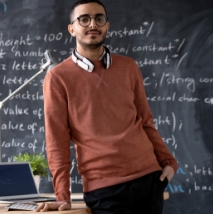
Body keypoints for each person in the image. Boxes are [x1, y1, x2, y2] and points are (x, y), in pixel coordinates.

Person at [35, 0, 178, 213]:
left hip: (150, 180)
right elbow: (57, 141)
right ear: (72, 29)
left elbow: (146, 121)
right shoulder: (57, 78)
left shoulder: (128, 67)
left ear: (107, 25)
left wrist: (168, 161)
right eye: (84, 19)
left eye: (99, 18)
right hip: (105, 190)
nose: (92, 24)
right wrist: (63, 197)